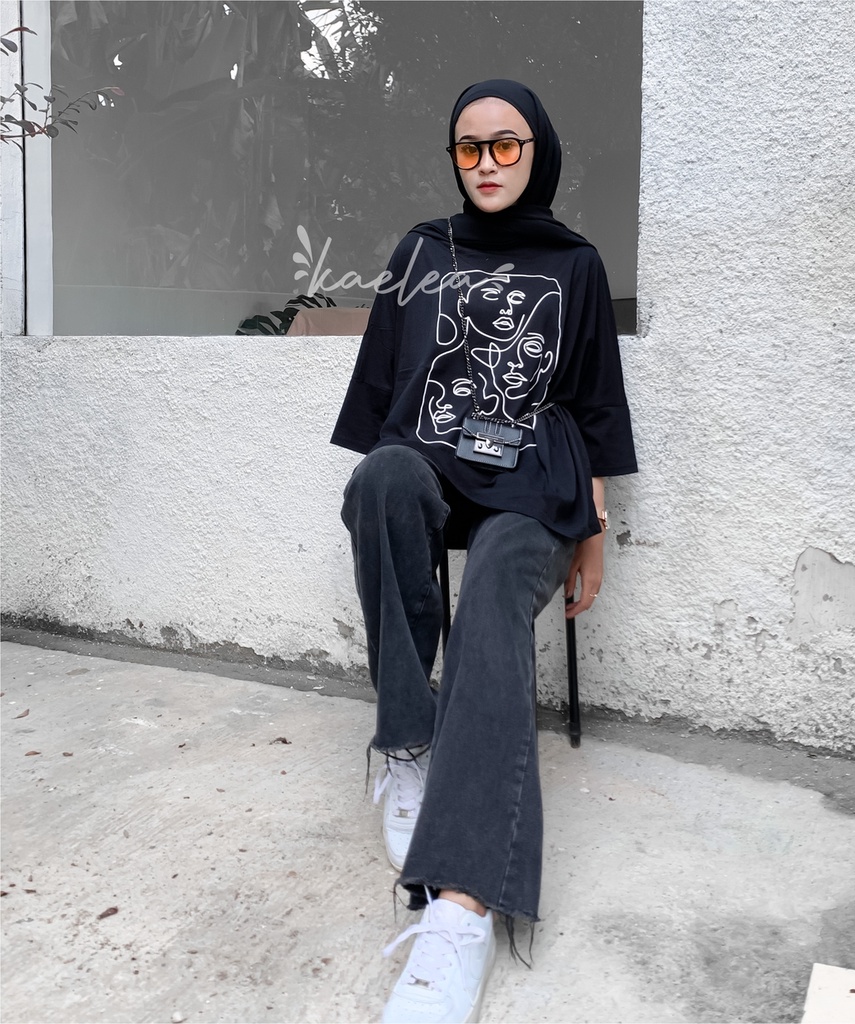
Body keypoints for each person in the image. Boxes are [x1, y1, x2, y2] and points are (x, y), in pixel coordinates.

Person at [330, 79, 637, 1024]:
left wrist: (594, 534)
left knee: (501, 570)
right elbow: (383, 388)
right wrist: (394, 463)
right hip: (436, 460)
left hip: (536, 479)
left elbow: (595, 404)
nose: (489, 164)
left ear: (538, 151)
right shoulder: (423, 251)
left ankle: (460, 909)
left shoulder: (575, 263)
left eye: (507, 145)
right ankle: (409, 742)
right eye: (470, 148)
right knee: (382, 479)